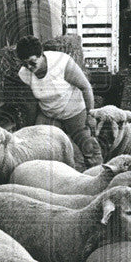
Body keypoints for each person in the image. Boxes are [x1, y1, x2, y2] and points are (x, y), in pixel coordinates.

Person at [15, 36, 103, 167]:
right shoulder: (24, 73)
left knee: (89, 146)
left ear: (41, 54)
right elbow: (32, 102)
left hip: (73, 111)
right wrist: (32, 126)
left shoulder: (61, 63)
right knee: (41, 145)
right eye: (24, 63)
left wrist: (90, 115)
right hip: (49, 113)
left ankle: (97, 173)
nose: (29, 67)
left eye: (32, 62)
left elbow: (85, 87)